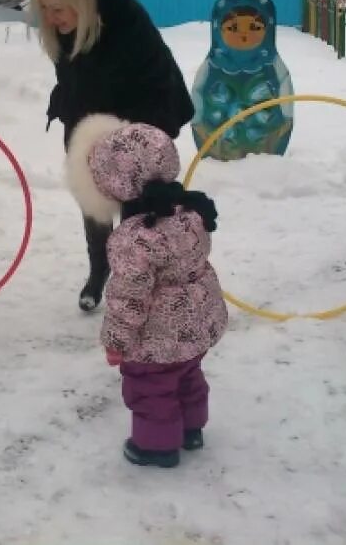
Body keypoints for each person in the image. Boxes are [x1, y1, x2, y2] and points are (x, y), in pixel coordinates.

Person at [32, 0, 196, 312]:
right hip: (89, 116)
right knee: (94, 199)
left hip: (140, 118)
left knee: (138, 206)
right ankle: (100, 269)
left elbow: (156, 81)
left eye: (58, 9)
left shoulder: (127, 20)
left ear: (81, 3)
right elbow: (75, 78)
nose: (50, 18)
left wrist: (132, 143)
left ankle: (138, 277)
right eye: (45, 9)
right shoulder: (65, 28)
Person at [66, 114, 227, 468]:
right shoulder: (191, 212)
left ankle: (156, 446)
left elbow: (128, 298)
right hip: (196, 328)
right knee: (188, 376)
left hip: (157, 338)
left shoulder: (134, 239)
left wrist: (117, 342)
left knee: (151, 388)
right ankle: (191, 429)